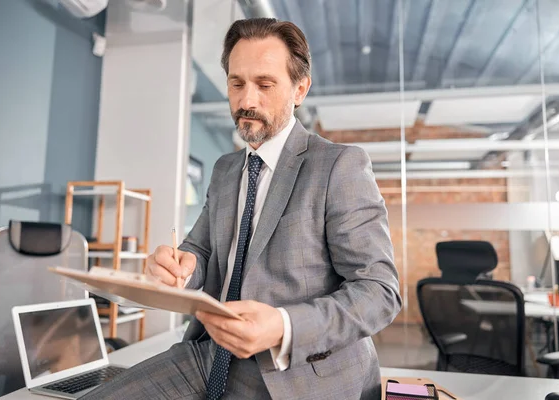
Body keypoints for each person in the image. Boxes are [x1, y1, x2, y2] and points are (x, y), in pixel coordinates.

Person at [82, 17, 401, 400]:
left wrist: (283, 326)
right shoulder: (225, 170)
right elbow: (200, 251)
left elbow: (379, 292)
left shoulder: (338, 166)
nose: (246, 101)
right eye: (236, 84)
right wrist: (178, 268)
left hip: (299, 372)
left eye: (265, 85)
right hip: (212, 353)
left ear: (300, 89)